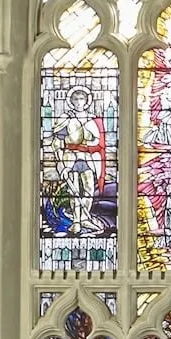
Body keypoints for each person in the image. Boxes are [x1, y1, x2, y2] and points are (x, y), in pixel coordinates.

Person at [49, 86, 107, 234]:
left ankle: (84, 219)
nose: (79, 102)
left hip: (86, 158)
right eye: (76, 99)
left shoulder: (91, 119)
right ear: (71, 101)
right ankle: (76, 221)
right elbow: (57, 142)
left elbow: (97, 141)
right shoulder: (65, 118)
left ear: (87, 101)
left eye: (82, 99)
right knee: (74, 190)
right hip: (70, 157)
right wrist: (60, 163)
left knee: (88, 189)